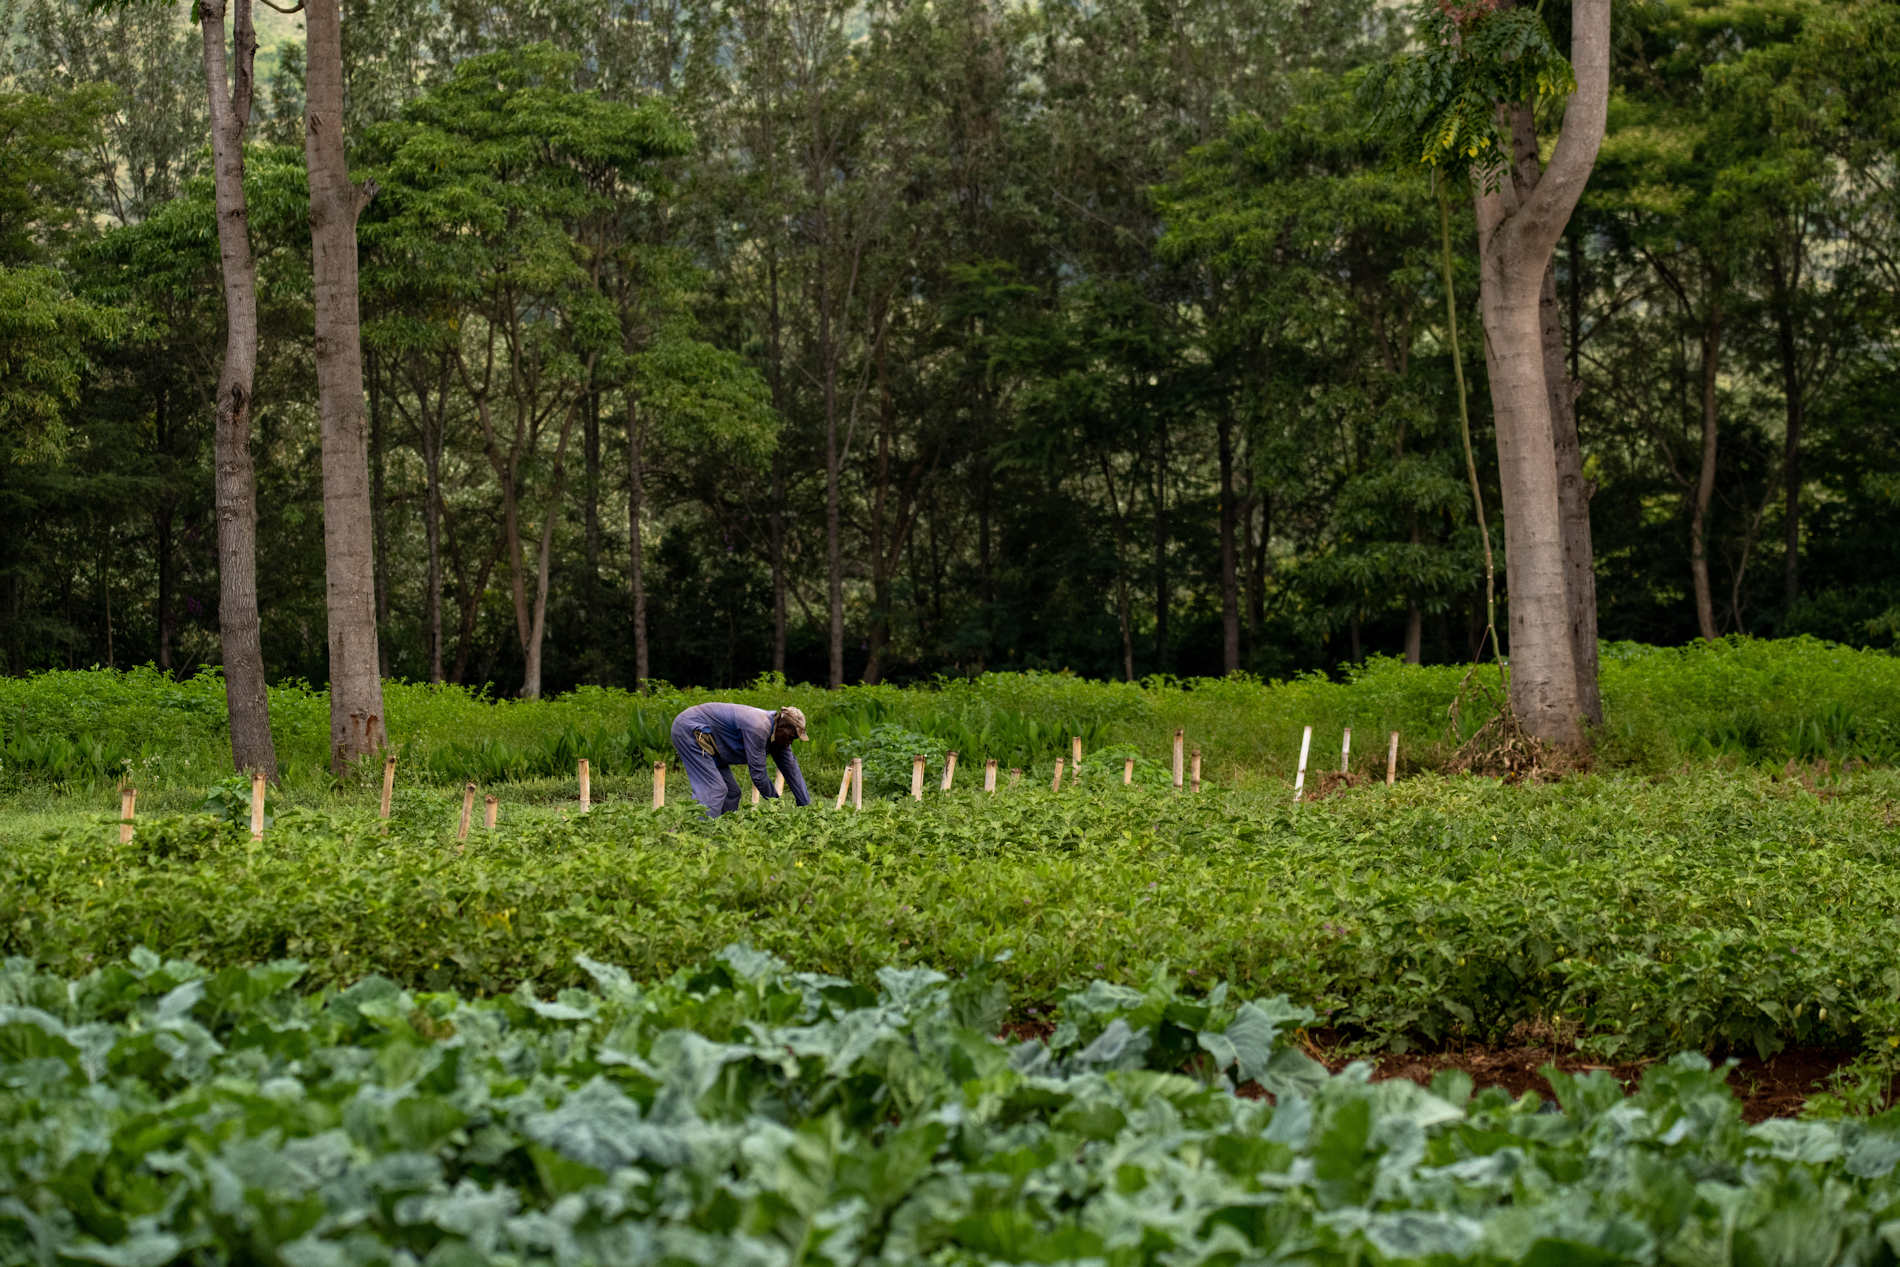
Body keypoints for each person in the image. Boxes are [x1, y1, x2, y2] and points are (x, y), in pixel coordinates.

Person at [669, 702, 813, 818]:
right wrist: (777, 804)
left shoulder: (780, 739)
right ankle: (697, 834)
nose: (790, 742)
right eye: (792, 736)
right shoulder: (759, 727)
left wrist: (806, 807)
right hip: (691, 730)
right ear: (783, 726)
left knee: (732, 793)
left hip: (713, 743)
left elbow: (792, 770)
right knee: (714, 789)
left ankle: (722, 832)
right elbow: (758, 775)